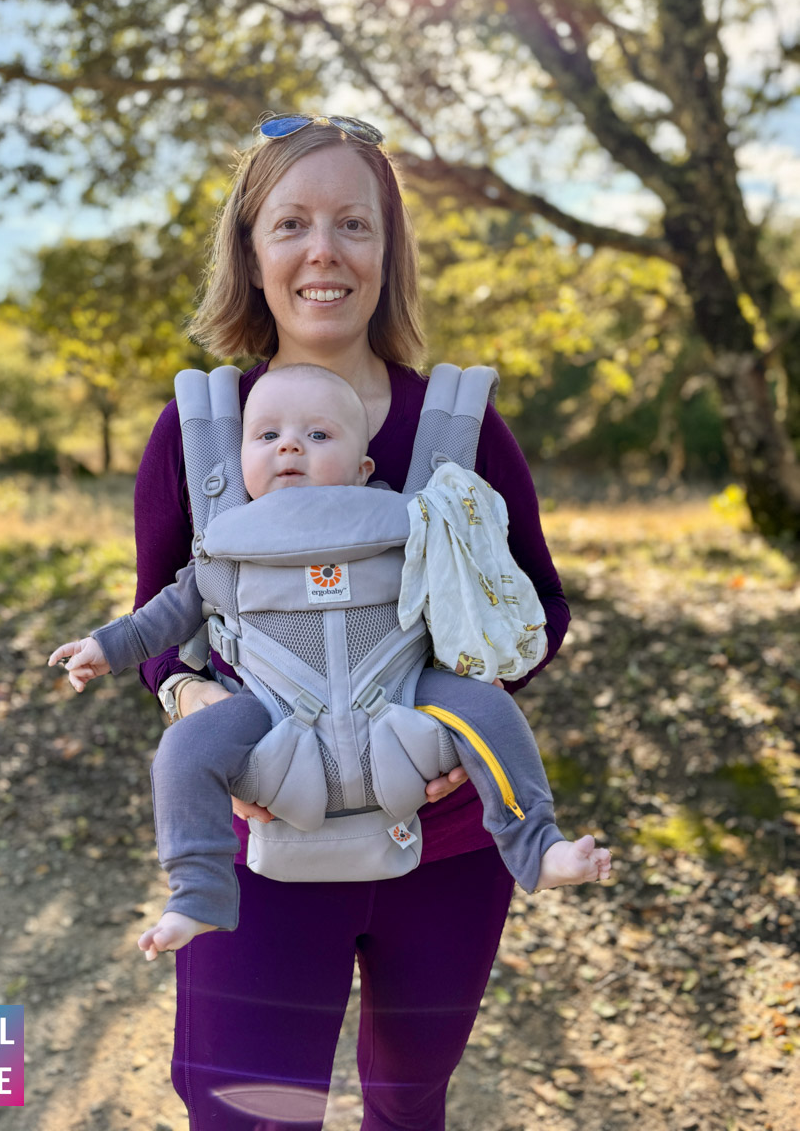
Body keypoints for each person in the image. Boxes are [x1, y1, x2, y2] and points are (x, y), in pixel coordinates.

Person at [97, 112, 593, 1131]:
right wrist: (190, 698)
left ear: (386, 251)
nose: (323, 251)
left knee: (409, 1104)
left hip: (447, 853)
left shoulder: (457, 424)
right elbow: (165, 628)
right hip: (267, 841)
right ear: (253, 251)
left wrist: (472, 713)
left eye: (353, 225)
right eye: (292, 225)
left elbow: (538, 604)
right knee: (246, 1109)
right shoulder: (200, 429)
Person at [49, 364, 610, 960]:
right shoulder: (226, 548)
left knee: (490, 710)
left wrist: (485, 661)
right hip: (268, 722)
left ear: (365, 469)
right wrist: (104, 649)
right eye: (266, 436)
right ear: (239, 463)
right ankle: (197, 893)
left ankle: (537, 846)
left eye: (318, 436)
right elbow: (161, 616)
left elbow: (478, 592)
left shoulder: (411, 523)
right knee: (183, 752)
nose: (290, 444)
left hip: (406, 704)